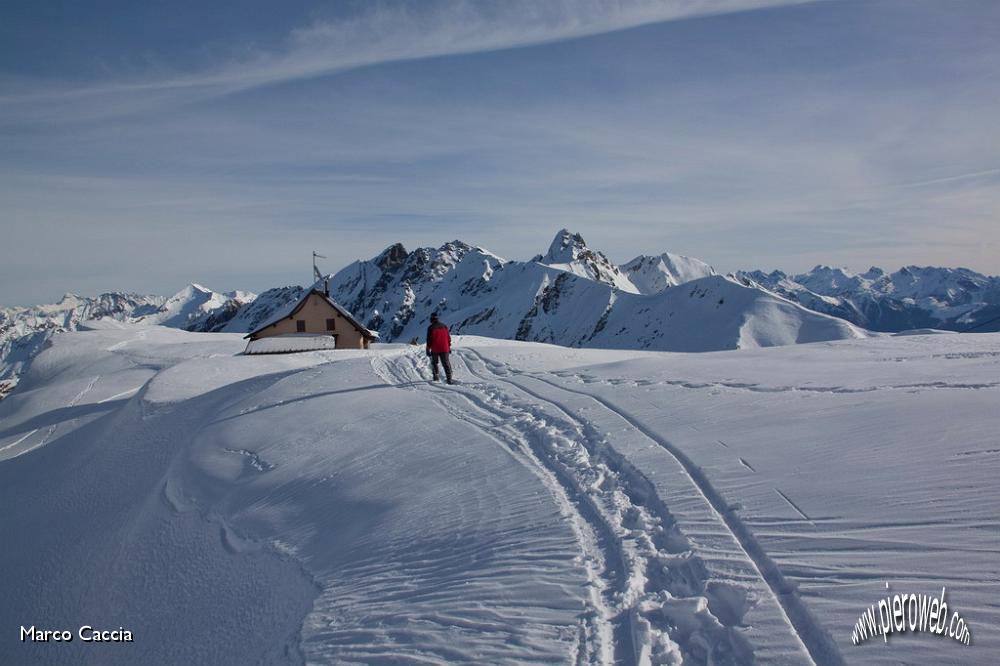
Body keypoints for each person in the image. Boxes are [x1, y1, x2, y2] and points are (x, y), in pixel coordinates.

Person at [425, 313, 454, 384]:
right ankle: (449, 378)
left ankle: (436, 376)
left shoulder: (431, 328)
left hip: (435, 349)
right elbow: (448, 338)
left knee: (434, 362)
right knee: (446, 363)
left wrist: (428, 349)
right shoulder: (444, 326)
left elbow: (429, 340)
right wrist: (449, 347)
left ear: (432, 319)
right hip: (445, 348)